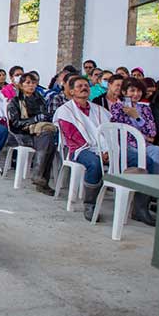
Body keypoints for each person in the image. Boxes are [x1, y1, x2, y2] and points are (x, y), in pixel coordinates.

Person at [109, 78, 159, 225]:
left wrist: (137, 117)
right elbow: (124, 132)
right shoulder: (117, 107)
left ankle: (152, 196)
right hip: (126, 146)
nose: (136, 94)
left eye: (139, 91)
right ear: (124, 92)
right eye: (132, 90)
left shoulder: (145, 108)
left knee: (158, 152)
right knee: (148, 162)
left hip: (145, 145)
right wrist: (141, 131)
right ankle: (142, 206)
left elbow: (152, 132)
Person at [54, 76, 111, 221]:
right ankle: (90, 204)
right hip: (79, 150)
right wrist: (99, 153)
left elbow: (109, 131)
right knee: (94, 163)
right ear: (71, 91)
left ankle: (139, 206)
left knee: (136, 158)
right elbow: (74, 139)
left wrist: (109, 150)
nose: (84, 88)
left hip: (104, 148)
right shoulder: (65, 111)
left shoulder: (99, 110)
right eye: (79, 86)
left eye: (86, 85)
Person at [7, 74, 57, 194]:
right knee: (48, 141)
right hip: (22, 134)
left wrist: (42, 119)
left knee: (49, 139)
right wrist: (34, 120)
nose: (31, 85)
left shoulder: (40, 99)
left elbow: (47, 116)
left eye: (33, 83)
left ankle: (39, 176)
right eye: (28, 83)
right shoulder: (15, 102)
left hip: (39, 133)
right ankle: (40, 178)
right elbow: (15, 123)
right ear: (21, 85)